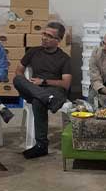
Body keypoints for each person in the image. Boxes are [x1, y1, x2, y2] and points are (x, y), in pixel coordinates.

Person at [13, 21, 71, 159]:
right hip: (34, 88)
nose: (44, 37)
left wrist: (44, 81)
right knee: (17, 79)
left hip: (55, 91)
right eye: (44, 34)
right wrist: (30, 85)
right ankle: (46, 98)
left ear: (58, 40)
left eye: (49, 36)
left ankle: (41, 146)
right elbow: (19, 71)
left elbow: (66, 84)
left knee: (38, 101)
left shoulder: (64, 58)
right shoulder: (33, 51)